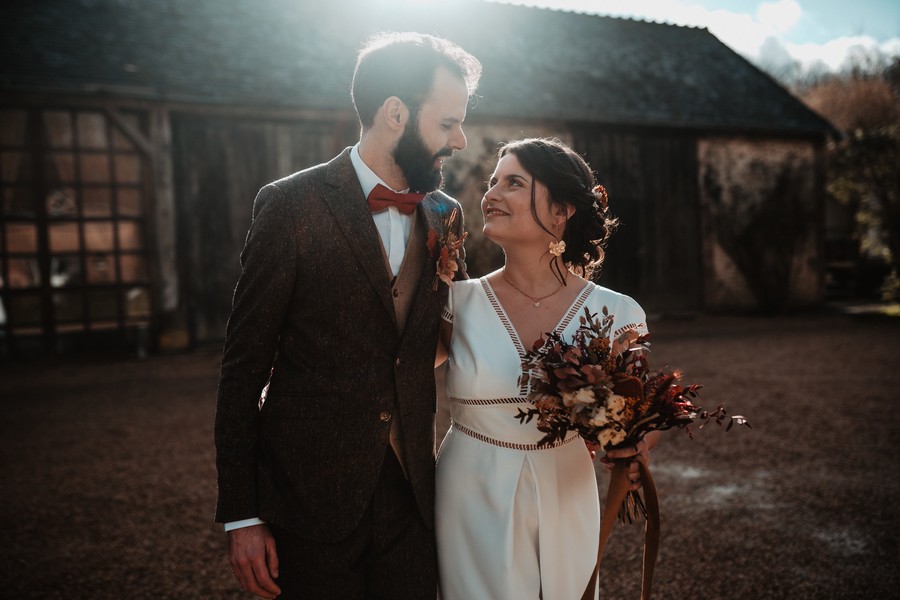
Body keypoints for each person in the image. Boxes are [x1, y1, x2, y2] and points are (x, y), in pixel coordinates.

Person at [214, 32, 481, 599]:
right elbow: (243, 367)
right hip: (309, 497)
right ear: (394, 114)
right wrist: (242, 514)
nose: (460, 140)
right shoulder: (289, 206)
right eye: (447, 123)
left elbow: (449, 337)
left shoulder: (446, 216)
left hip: (413, 495)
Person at [434, 137, 661, 599]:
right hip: (469, 491)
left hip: (567, 488)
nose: (490, 194)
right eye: (491, 182)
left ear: (561, 210)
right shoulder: (452, 301)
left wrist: (633, 445)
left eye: (513, 182)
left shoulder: (619, 314)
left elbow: (639, 417)